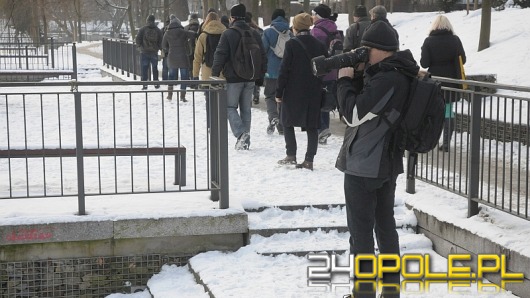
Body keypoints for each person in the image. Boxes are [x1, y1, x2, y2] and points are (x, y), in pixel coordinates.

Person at [336, 21, 420, 298]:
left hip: (366, 165)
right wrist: (362, 75)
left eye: (366, 49)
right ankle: (390, 291)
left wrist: (344, 80)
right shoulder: (398, 73)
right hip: (385, 162)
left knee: (361, 233)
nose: (363, 54)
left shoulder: (387, 79)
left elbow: (353, 114)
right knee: (385, 228)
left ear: (380, 50)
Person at [211, 3, 267, 150]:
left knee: (229, 107)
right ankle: (245, 141)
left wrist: (214, 74)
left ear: (232, 17)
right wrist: (260, 76)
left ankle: (241, 134)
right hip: (250, 78)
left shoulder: (228, 33)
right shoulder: (254, 33)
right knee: (246, 109)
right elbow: (262, 55)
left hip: (233, 78)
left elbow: (220, 55)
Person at [275, 13, 327, 170]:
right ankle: (309, 160)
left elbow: (284, 70)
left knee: (287, 121)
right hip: (313, 90)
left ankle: (291, 155)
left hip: (293, 90)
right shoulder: (319, 44)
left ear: (295, 28)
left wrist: (279, 92)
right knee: (312, 125)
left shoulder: (291, 44)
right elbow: (325, 67)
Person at [420, 15, 466, 152]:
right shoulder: (455, 40)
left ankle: (431, 140)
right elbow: (462, 59)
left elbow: (424, 63)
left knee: (433, 111)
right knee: (448, 111)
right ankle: (446, 142)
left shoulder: (429, 41)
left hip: (435, 82)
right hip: (451, 81)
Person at [311, 4, 339, 145]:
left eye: (313, 13)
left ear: (319, 16)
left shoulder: (316, 32)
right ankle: (324, 129)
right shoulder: (335, 29)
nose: (312, 16)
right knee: (326, 102)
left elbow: (313, 52)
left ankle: (321, 129)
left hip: (320, 71)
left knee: (316, 101)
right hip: (333, 71)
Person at [192, 12, 226, 129]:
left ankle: (211, 125)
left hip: (207, 75)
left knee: (209, 101)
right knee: (222, 101)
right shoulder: (225, 34)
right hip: (223, 74)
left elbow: (197, 57)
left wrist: (195, 75)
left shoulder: (203, 36)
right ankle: (221, 125)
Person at [262, 9, 291, 135]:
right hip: (286, 71)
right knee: (282, 97)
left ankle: (273, 117)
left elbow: (262, 50)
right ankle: (281, 125)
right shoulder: (290, 33)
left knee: (269, 96)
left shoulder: (268, 32)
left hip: (271, 70)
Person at [162, 15, 198, 101]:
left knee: (171, 76)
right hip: (183, 57)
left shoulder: (167, 33)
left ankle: (170, 95)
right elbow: (194, 34)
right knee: (184, 77)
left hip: (172, 58)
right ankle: (182, 96)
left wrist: (169, 49)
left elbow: (163, 45)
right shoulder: (183, 32)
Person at [135, 15, 163, 90]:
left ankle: (144, 84)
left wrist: (140, 47)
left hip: (144, 52)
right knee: (154, 68)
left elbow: (138, 40)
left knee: (144, 68)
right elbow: (161, 41)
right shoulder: (158, 30)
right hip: (154, 52)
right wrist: (159, 48)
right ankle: (156, 83)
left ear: (147, 20)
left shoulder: (142, 29)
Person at [245, 12, 264, 105]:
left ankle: (248, 98)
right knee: (255, 77)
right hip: (256, 57)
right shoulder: (257, 30)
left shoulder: (240, 30)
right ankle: (256, 95)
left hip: (245, 58)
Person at [161, 16, 171, 81]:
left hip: (165, 50)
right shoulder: (173, 29)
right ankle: (172, 79)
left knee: (165, 66)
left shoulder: (163, 29)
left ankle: (164, 79)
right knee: (172, 66)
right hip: (173, 50)